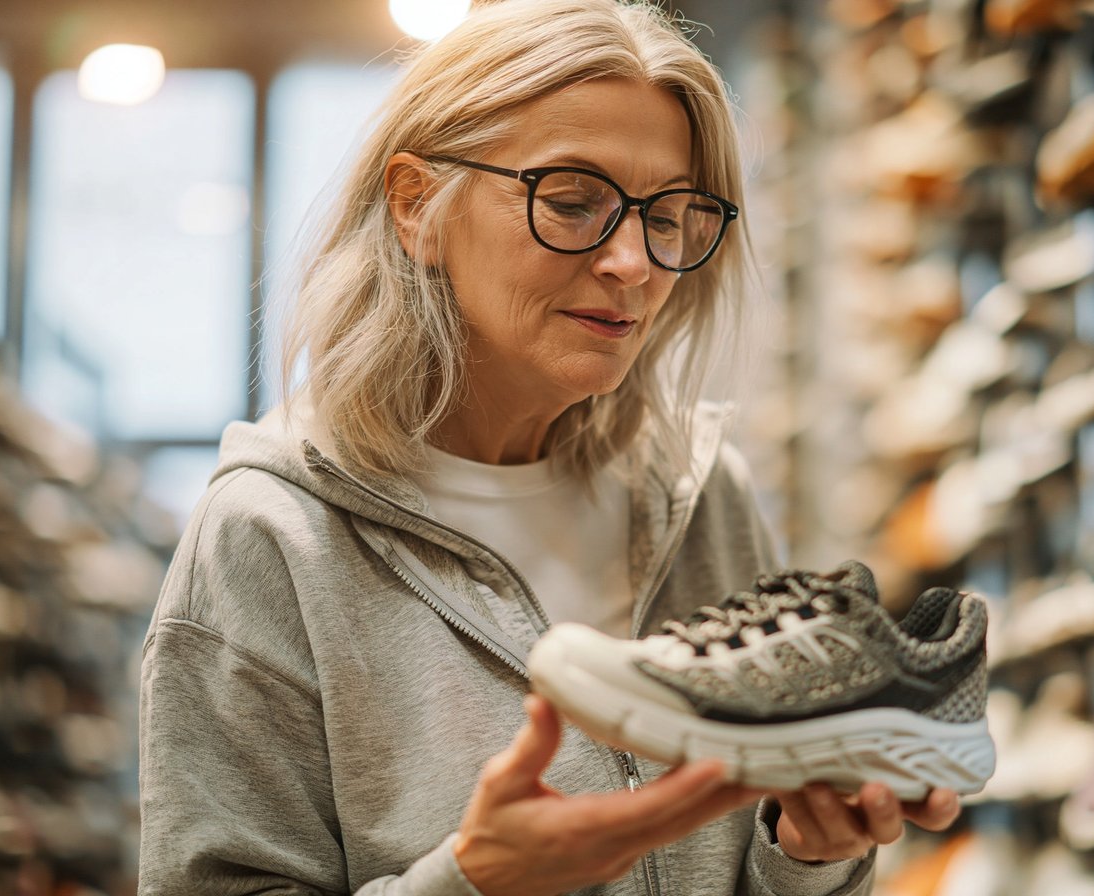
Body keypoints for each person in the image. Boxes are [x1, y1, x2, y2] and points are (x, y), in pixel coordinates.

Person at [136, 2, 960, 894]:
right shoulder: (270, 536)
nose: (635, 263)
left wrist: (808, 853)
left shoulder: (699, 493)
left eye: (672, 215)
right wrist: (473, 883)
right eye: (572, 202)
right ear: (416, 206)